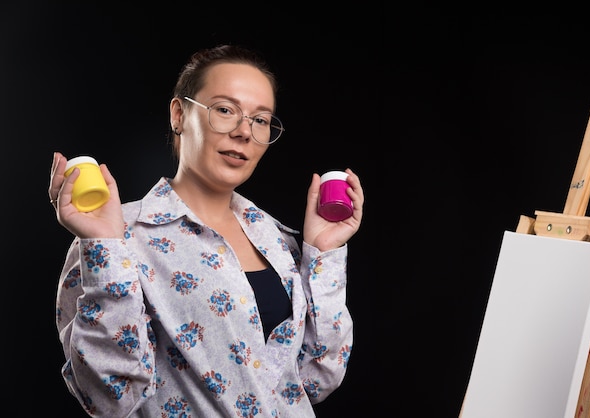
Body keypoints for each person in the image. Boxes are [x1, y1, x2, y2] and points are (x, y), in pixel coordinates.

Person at [48, 44, 364, 417]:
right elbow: (109, 397)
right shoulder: (118, 240)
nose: (244, 132)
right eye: (225, 110)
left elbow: (315, 380)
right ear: (179, 114)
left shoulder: (279, 243)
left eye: (261, 119)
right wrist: (103, 247)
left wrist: (323, 253)